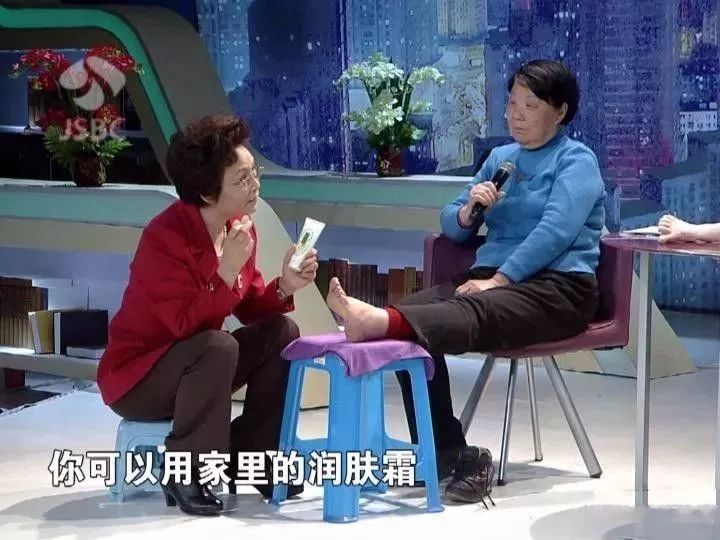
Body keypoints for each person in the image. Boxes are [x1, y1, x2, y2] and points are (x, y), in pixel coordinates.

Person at [325, 59, 606, 504]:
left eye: (530, 105)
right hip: (490, 279)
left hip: (557, 287)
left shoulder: (577, 161)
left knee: (460, 309)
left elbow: (555, 232)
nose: (516, 114)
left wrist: (502, 278)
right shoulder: (499, 159)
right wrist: (470, 210)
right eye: (512, 103)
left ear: (560, 112)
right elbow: (450, 222)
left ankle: (378, 321)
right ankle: (450, 454)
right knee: (416, 314)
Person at [97, 115, 318, 516]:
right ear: (206, 193)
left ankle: (253, 454)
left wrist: (284, 286)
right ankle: (186, 469)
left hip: (199, 366)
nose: (255, 185)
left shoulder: (239, 228)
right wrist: (225, 271)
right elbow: (183, 325)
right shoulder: (164, 238)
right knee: (216, 346)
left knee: (282, 332)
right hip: (140, 377)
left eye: (255, 173)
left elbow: (248, 305)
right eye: (242, 180)